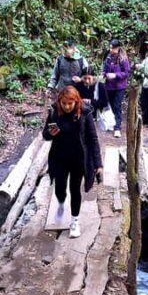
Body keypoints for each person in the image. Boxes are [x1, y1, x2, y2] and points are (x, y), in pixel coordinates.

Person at [42, 86, 103, 238]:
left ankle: (75, 221)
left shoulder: (85, 112)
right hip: (59, 158)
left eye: (70, 103)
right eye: (64, 103)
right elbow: (45, 135)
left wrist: (98, 164)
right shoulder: (54, 111)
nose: (67, 107)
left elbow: (93, 139)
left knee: (75, 189)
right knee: (60, 188)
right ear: (60, 101)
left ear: (76, 101)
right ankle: (61, 203)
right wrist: (50, 133)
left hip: (78, 159)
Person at [102, 39, 130, 138]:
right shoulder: (108, 57)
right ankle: (111, 123)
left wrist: (115, 75)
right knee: (110, 106)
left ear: (117, 48)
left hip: (119, 87)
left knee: (117, 106)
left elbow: (126, 73)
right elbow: (104, 69)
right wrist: (104, 74)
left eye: (113, 48)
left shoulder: (123, 59)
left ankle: (117, 128)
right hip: (109, 86)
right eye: (110, 48)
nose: (111, 50)